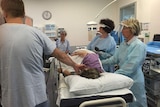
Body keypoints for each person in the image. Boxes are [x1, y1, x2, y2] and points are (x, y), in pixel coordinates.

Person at [0, 0, 85, 107]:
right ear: (23, 13)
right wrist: (75, 65)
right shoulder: (36, 33)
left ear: (4, 13)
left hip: (11, 99)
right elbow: (61, 55)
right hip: (37, 97)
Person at [101, 18, 147, 107]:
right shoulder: (124, 44)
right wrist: (99, 62)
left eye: (125, 28)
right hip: (123, 78)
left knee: (136, 103)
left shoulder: (138, 46)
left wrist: (112, 76)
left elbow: (129, 67)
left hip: (134, 80)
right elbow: (114, 59)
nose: (122, 30)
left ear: (132, 30)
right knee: (126, 103)